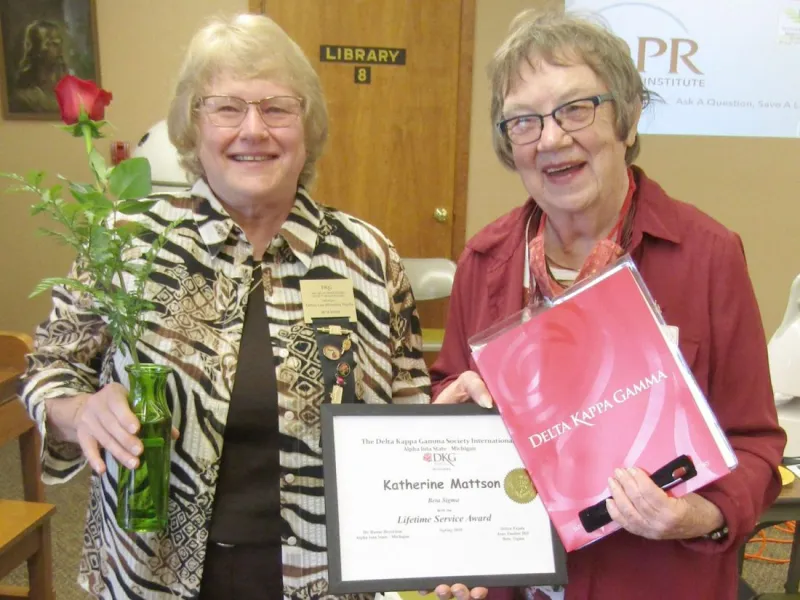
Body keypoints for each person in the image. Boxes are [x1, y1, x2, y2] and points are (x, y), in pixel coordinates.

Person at [20, 14, 487, 600]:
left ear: (307, 127)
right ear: (192, 126)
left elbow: (410, 413)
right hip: (158, 573)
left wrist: (440, 544)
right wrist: (81, 409)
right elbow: (49, 369)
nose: (253, 129)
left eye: (276, 108)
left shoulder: (365, 256)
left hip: (330, 579)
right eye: (226, 108)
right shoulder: (130, 243)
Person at [431, 9, 786, 600]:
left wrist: (701, 515)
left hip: (656, 582)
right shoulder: (485, 260)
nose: (551, 139)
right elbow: (451, 425)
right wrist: (453, 420)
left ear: (626, 115)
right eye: (524, 120)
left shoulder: (707, 256)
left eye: (576, 109)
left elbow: (754, 444)